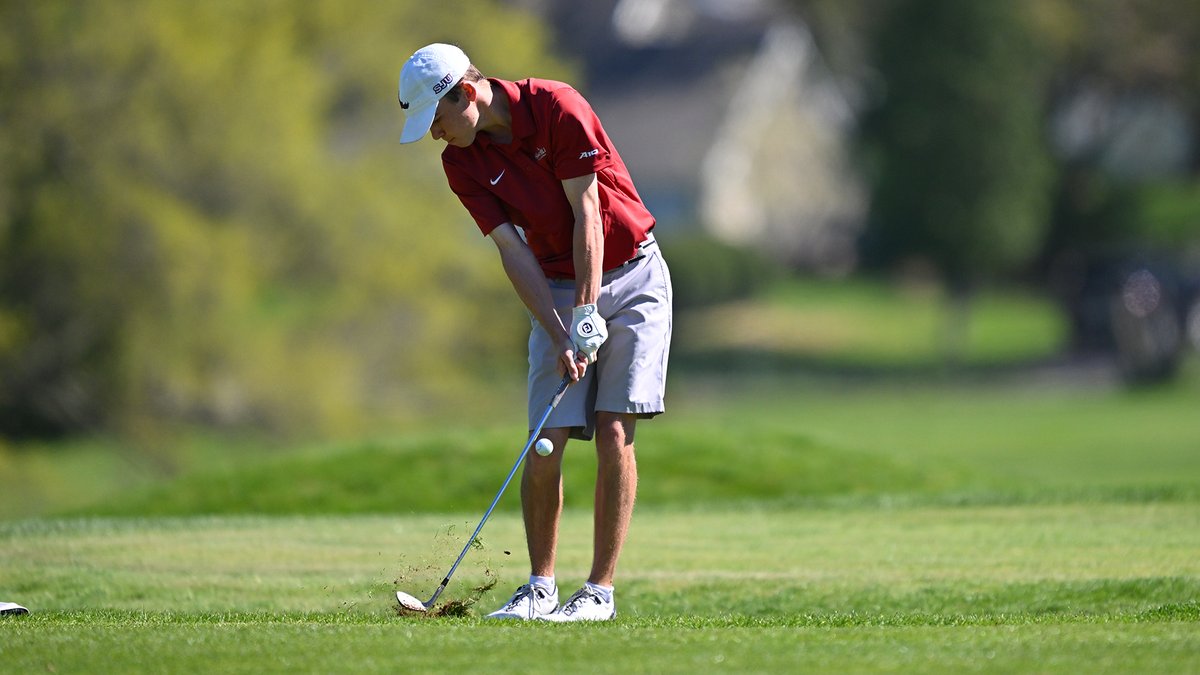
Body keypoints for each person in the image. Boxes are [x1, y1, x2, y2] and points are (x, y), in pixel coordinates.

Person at [397, 43, 672, 622]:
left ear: (467, 94)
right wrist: (558, 330)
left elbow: (588, 215)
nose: (435, 135)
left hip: (632, 273)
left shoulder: (557, 108)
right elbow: (512, 252)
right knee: (545, 440)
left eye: (438, 120)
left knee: (613, 428)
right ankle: (539, 588)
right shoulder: (461, 163)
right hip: (555, 285)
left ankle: (598, 593)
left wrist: (589, 312)